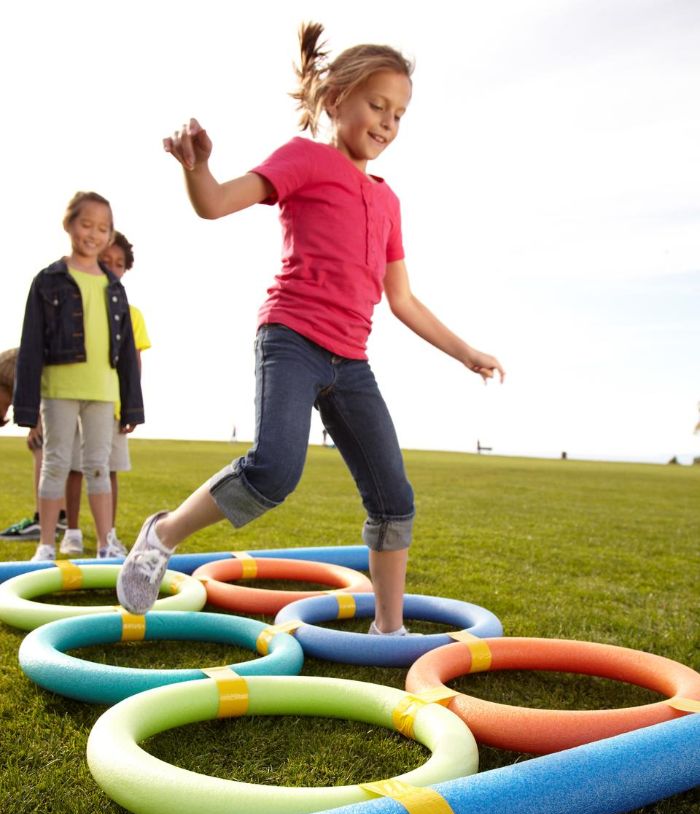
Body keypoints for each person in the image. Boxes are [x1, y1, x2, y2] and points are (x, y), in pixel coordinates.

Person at [117, 23, 504, 628]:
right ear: (335, 99)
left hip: (351, 361)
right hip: (292, 340)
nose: (387, 122)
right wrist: (196, 167)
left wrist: (466, 351)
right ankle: (163, 535)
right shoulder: (304, 159)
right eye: (377, 105)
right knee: (275, 468)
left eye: (399, 114)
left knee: (394, 497)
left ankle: (388, 627)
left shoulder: (388, 201)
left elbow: (401, 299)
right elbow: (215, 202)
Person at [13, 192, 144, 562]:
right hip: (59, 389)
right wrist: (26, 407)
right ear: (69, 224)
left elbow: (127, 356)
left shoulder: (114, 288)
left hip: (102, 392)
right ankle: (46, 546)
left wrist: (131, 406)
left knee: (99, 466)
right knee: (55, 462)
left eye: (103, 228)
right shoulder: (48, 280)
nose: (93, 234)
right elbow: (32, 343)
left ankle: (106, 543)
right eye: (86, 225)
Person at [59, 231, 151, 557]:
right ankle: (71, 532)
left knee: (107, 470)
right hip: (75, 398)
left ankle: (106, 536)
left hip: (110, 404)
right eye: (105, 262)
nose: (112, 269)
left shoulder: (130, 311)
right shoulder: (74, 302)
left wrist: (130, 405)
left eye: (119, 264)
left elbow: (133, 363)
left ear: (126, 269)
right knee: (72, 467)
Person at [0, 348, 68, 541]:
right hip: (60, 390)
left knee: (40, 443)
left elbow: (33, 383)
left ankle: (43, 517)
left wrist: (36, 421)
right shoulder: (6, 380)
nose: (5, 413)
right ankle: (60, 515)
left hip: (61, 388)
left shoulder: (6, 369)